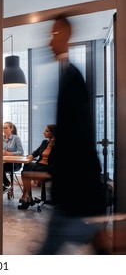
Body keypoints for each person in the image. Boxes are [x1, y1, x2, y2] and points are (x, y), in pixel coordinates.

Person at [37, 15, 107, 254]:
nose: (50, 42)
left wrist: (62, 174)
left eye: (54, 35)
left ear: (66, 36)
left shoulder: (72, 78)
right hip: (77, 184)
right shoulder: (68, 76)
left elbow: (79, 136)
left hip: (74, 184)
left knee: (49, 249)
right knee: (97, 243)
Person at [18, 124, 56, 210]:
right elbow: (36, 152)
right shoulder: (44, 142)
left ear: (53, 133)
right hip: (38, 167)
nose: (44, 133)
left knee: (26, 170)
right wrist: (31, 155)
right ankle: (28, 197)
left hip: (48, 169)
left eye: (46, 131)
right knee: (25, 171)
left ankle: (26, 197)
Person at [2, 122, 24, 191]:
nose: (4, 129)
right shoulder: (1, 138)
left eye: (6, 128)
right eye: (3, 128)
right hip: (4, 162)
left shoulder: (16, 138)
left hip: (15, 164)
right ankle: (6, 184)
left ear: (11, 129)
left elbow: (21, 152)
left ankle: (7, 185)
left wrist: (10, 153)